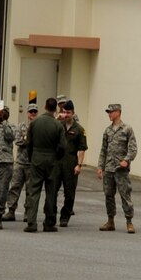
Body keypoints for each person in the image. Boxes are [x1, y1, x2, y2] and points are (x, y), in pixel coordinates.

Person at [24, 96, 66, 232]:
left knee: (33, 190)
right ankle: (49, 222)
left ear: (45, 107)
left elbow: (28, 143)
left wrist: (31, 157)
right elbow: (63, 146)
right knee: (51, 192)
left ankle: (31, 222)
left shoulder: (35, 123)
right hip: (52, 160)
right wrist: (57, 157)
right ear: (55, 109)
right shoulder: (58, 125)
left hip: (36, 158)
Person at [97, 101, 137, 232]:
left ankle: (129, 222)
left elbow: (133, 149)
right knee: (108, 195)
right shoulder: (107, 131)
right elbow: (103, 150)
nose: (109, 114)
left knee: (125, 195)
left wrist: (126, 160)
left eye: (111, 112)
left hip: (121, 170)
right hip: (109, 168)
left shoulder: (127, 129)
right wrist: (100, 166)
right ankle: (110, 221)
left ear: (118, 112)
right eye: (108, 112)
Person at [57, 97, 88, 226]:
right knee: (53, 189)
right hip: (57, 161)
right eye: (64, 112)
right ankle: (51, 214)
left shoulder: (79, 129)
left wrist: (79, 165)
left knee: (69, 192)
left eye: (68, 112)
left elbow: (82, 149)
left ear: (73, 113)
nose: (66, 115)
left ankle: (65, 215)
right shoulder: (58, 125)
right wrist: (57, 120)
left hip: (70, 162)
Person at [4, 101, 36, 222]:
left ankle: (28, 213)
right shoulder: (21, 126)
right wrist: (29, 140)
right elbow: (18, 141)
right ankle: (11, 211)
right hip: (20, 162)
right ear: (27, 113)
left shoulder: (38, 126)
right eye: (31, 111)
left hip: (32, 163)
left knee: (30, 190)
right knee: (15, 187)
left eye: (34, 112)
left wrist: (26, 139)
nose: (32, 114)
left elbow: (37, 142)